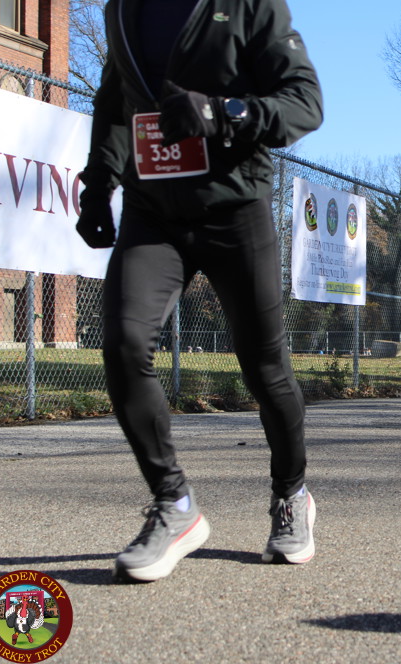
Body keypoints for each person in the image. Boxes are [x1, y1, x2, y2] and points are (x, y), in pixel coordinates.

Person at [76, 0, 323, 582]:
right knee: (123, 344)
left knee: (265, 368)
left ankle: (291, 495)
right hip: (152, 211)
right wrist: (99, 183)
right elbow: (114, 100)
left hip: (234, 207)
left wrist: (224, 112)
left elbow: (305, 103)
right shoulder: (123, 8)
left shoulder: (248, 6)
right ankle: (175, 504)